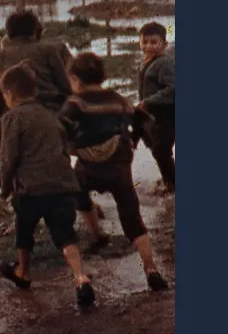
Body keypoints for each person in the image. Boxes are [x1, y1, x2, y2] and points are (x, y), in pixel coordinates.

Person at [60, 52, 170, 291]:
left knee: (79, 195)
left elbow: (61, 128)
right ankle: (151, 269)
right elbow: (143, 120)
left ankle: (97, 235)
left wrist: (71, 147)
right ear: (103, 76)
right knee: (132, 218)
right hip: (119, 166)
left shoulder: (75, 103)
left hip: (87, 166)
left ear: (75, 78)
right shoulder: (119, 100)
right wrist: (132, 141)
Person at [0, 63, 97, 308]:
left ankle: (22, 271)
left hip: (31, 188)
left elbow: (8, 158)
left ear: (9, 94)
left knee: (24, 230)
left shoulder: (12, 117)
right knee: (65, 235)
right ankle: (80, 277)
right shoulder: (51, 116)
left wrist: (4, 190)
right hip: (61, 186)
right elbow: (64, 150)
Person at [0, 10, 74, 210]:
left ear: (8, 33)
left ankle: (12, 189)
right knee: (57, 158)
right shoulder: (49, 50)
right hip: (50, 116)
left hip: (11, 115)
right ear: (35, 31)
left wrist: (5, 122)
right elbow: (66, 88)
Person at [136, 22, 177, 194]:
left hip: (166, 115)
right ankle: (169, 179)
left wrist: (148, 101)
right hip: (153, 117)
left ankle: (172, 185)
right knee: (157, 148)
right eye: (145, 42)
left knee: (161, 151)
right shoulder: (147, 61)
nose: (148, 46)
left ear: (164, 44)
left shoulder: (164, 63)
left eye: (154, 42)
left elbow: (173, 89)